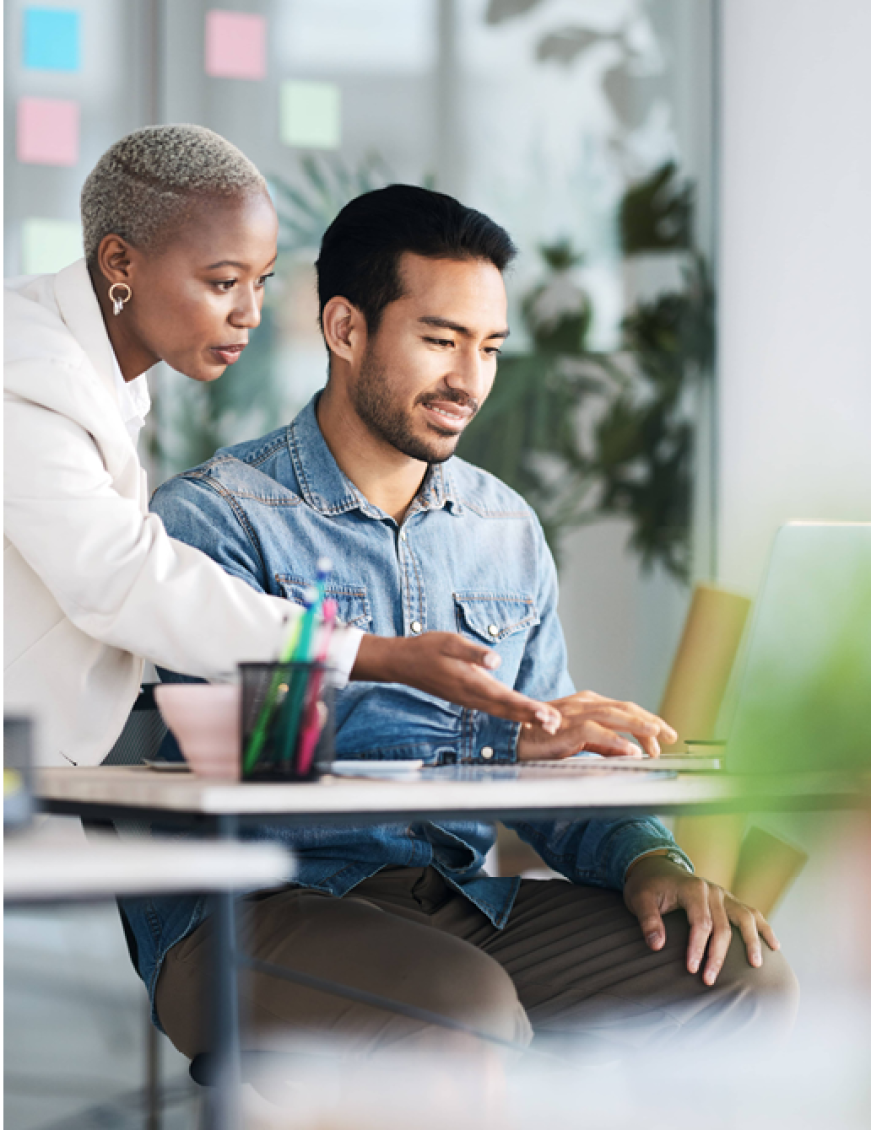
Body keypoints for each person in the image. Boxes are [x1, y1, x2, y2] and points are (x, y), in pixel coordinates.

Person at [140, 185, 798, 1063]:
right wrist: (496, 748)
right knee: (463, 1006)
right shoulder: (218, 519)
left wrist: (654, 864)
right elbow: (260, 771)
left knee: (738, 976)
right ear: (344, 330)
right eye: (439, 341)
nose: (469, 380)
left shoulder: (503, 529)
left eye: (489, 347)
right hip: (255, 908)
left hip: (455, 904)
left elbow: (555, 759)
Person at [3, 125, 562, 772]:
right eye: (221, 283)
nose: (250, 314)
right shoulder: (27, 376)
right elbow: (122, 580)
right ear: (120, 263)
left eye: (261, 281)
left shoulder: (90, 375)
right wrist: (377, 655)